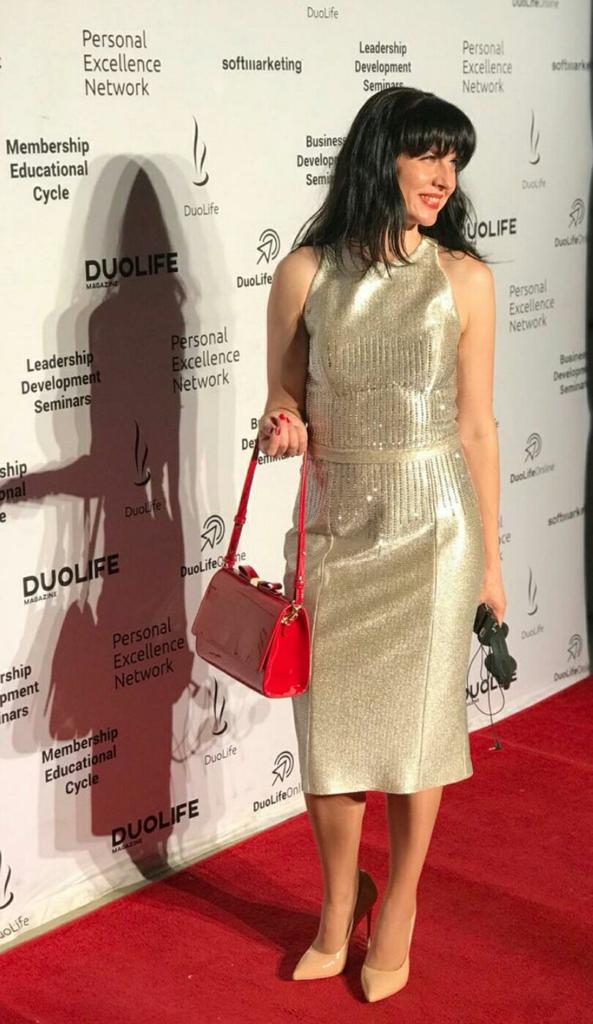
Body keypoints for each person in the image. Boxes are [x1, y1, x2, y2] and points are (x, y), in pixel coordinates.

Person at [258, 86, 506, 1003]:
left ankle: (396, 903)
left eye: (454, 160)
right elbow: (283, 399)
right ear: (379, 157)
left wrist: (489, 563)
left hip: (435, 529)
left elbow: (476, 428)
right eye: (427, 155)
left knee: (416, 735)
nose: (444, 177)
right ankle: (338, 902)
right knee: (328, 737)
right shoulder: (305, 272)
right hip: (335, 529)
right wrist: (282, 427)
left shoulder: (463, 279)